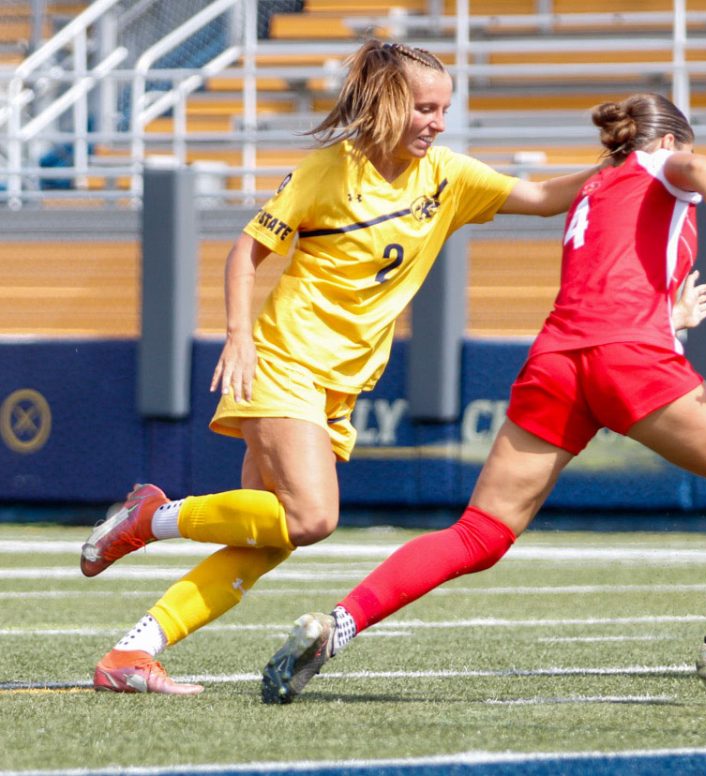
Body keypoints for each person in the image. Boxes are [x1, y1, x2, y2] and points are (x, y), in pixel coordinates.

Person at [78, 39, 604, 695]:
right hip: (286, 357)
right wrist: (238, 336)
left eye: (444, 110)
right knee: (312, 519)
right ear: (387, 105)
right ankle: (149, 519)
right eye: (425, 109)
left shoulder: (449, 176)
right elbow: (245, 253)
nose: (438, 123)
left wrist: (623, 163)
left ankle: (132, 654)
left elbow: (545, 195)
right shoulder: (325, 171)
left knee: (267, 538)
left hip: (338, 385)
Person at [259, 92, 706, 705]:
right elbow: (697, 171)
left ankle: (334, 629)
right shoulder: (663, 164)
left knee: (479, 534)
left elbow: (611, 276)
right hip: (624, 360)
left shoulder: (597, 189)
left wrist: (667, 314)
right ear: (669, 142)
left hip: (556, 363)